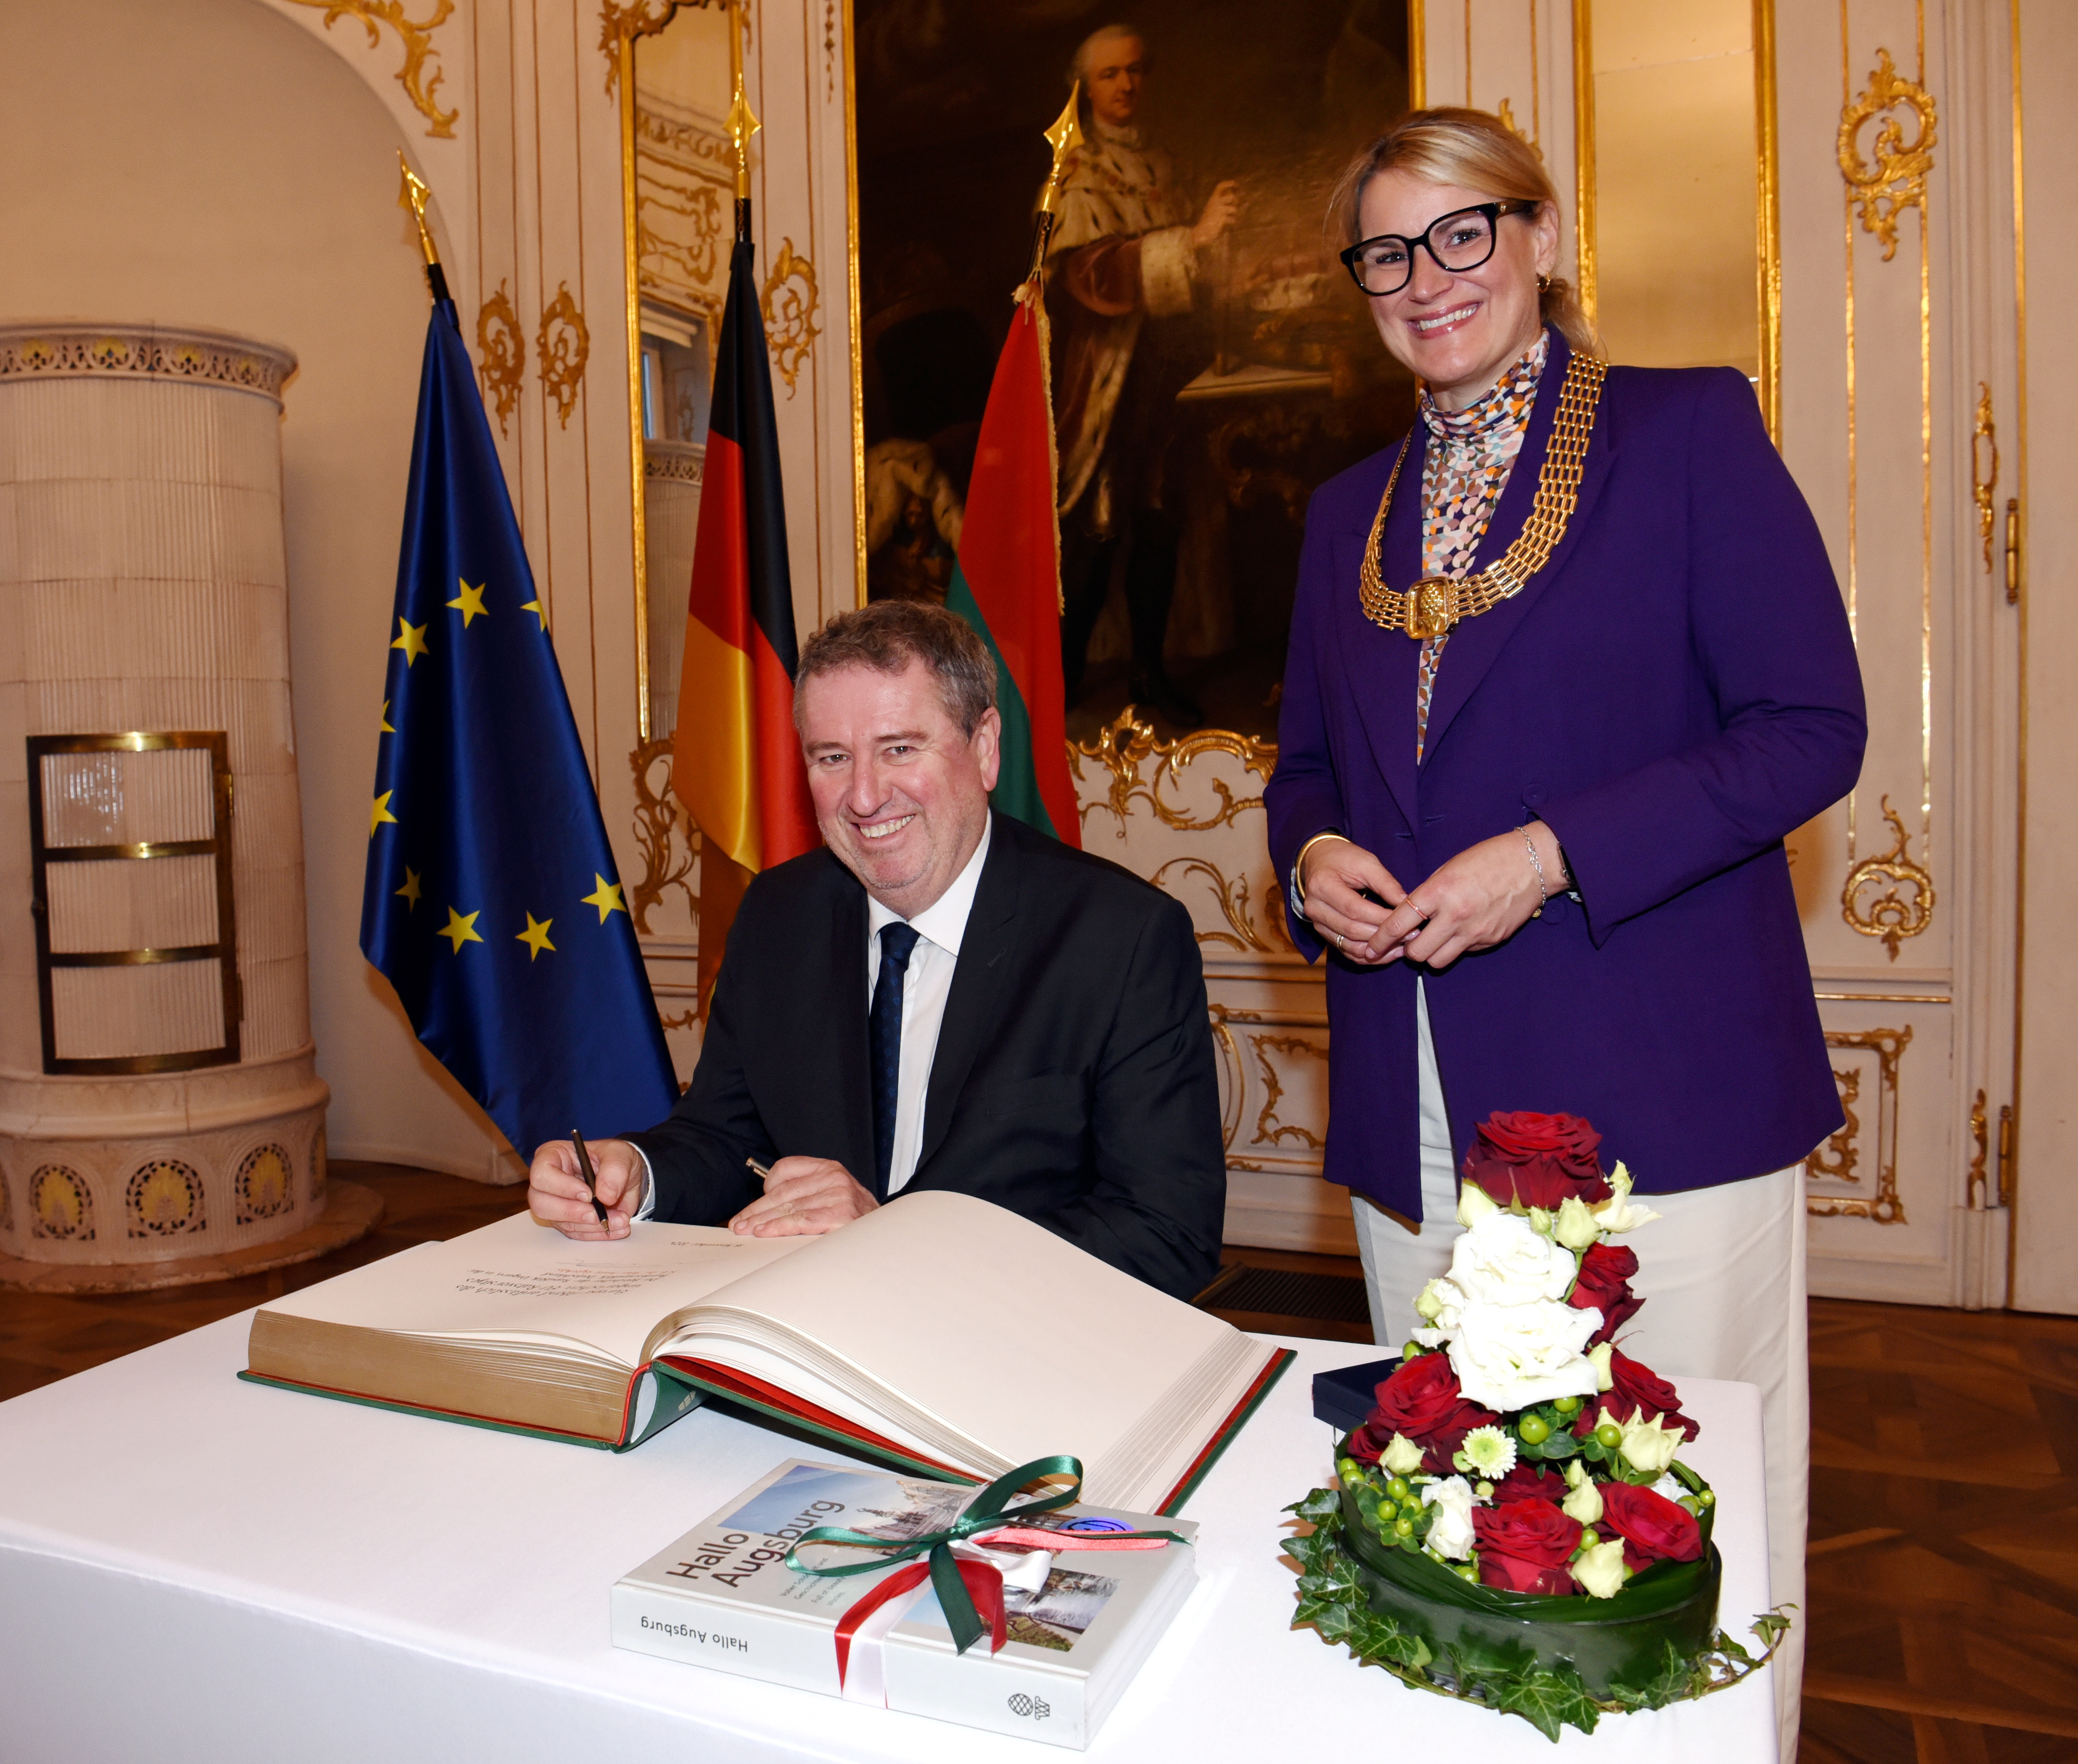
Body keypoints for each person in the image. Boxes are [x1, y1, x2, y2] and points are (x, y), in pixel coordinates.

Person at [1262, 109, 1862, 1750]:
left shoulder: (1682, 434)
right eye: (1387, 250)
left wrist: (1550, 852)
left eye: (1462, 231)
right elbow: (1308, 765)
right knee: (1457, 1518)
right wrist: (1309, 848)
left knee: (1670, 1520)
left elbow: (1812, 726)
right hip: (1420, 1094)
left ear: (1538, 239)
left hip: (1651, 1086)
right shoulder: (1341, 514)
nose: (1425, 277)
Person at [527, 600, 1225, 1300]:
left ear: (984, 748)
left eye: (899, 748)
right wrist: (633, 1173)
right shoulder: (778, 915)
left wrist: (893, 1238)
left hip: (1018, 1360)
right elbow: (725, 1139)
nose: (863, 797)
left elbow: (1166, 1235)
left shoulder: (1122, 938)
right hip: (808, 1340)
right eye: (833, 758)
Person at [1048, 22, 1237, 728]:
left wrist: (1214, 246)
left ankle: (1149, 671)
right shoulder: (1079, 173)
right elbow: (1090, 276)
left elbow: (1193, 269)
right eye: (1109, 75)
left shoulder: (1164, 162)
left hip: (1167, 372)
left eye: (1135, 71)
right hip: (1106, 380)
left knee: (1159, 522)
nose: (1125, 85)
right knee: (1097, 529)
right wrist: (1191, 240)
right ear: (1086, 87)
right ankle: (1061, 684)